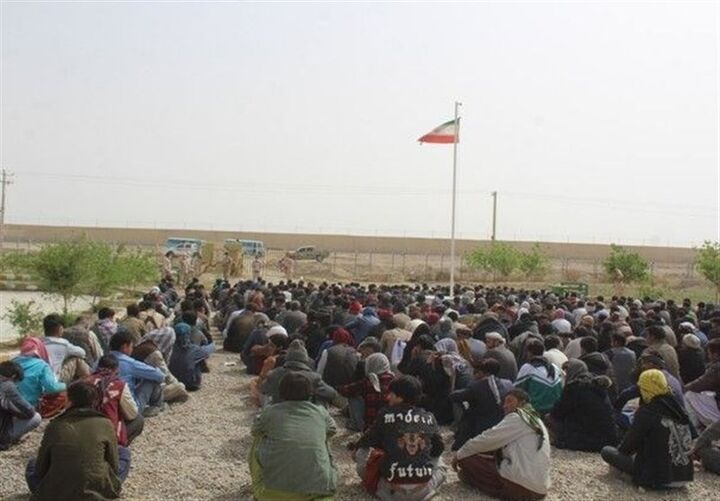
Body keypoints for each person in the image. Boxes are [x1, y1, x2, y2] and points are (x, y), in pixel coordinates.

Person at [25, 381, 131, 500]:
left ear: (69, 401)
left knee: (32, 464)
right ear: (94, 402)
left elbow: (40, 468)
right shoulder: (105, 423)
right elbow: (114, 464)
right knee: (124, 452)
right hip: (96, 493)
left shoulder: (55, 425)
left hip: (56, 493)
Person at [353, 375, 446, 500]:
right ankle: (428, 490)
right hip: (423, 491)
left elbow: (366, 441)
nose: (387, 397)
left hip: (390, 492)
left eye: (391, 394)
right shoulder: (430, 417)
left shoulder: (385, 415)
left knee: (361, 452)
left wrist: (356, 449)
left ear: (400, 397)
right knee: (440, 461)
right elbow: (438, 449)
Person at [250, 372, 337, 501]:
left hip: (271, 493)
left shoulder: (270, 412)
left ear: (281, 392)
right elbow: (332, 430)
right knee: (324, 438)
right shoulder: (320, 412)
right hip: (318, 491)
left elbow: (255, 430)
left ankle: (261, 488)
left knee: (259, 438)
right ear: (309, 392)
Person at [601, 369, 693, 489]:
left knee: (607, 451)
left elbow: (627, 446)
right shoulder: (677, 407)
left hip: (658, 478)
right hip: (683, 476)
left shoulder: (647, 411)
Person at [453, 388, 550, 501]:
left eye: (509, 401)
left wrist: (459, 454)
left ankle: (474, 480)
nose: (505, 405)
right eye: (504, 402)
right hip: (539, 489)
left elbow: (487, 439)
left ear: (521, 403)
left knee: (467, 459)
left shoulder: (518, 417)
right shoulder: (535, 419)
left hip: (523, 489)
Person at [548, 360, 618, 452]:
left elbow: (557, 412)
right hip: (607, 439)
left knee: (548, 417)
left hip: (585, 439)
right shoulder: (597, 383)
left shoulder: (574, 387)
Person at [450, 358, 513, 451]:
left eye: (477, 372)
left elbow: (454, 396)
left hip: (482, 427)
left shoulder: (477, 386)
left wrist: (452, 384)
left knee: (467, 412)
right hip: (503, 423)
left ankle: (460, 445)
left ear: (484, 373)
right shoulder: (508, 383)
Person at [86, 355, 144, 446]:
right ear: (116, 369)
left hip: (85, 430)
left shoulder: (85, 382)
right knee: (138, 420)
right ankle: (117, 449)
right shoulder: (119, 385)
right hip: (108, 433)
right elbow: (132, 414)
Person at [262, 340, 338, 406]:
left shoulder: (275, 373)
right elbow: (332, 394)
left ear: (287, 357)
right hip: (306, 414)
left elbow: (264, 389)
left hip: (279, 413)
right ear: (305, 359)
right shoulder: (314, 377)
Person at [109, 331, 166, 417]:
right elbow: (160, 376)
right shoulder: (129, 362)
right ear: (125, 347)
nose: (132, 349)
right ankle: (156, 406)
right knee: (150, 379)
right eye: (131, 346)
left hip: (107, 406)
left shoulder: (99, 361)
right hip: (128, 408)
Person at [338, 353, 395, 432]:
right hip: (390, 425)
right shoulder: (394, 380)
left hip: (370, 427)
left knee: (354, 396)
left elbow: (346, 391)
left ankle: (356, 425)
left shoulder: (369, 381)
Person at [13, 338, 67, 418]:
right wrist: (65, 385)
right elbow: (52, 388)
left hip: (10, 406)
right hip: (31, 407)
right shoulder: (41, 365)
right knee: (64, 394)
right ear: (40, 349)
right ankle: (42, 414)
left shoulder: (11, 363)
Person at [0, 361, 42, 451]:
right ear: (14, 376)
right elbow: (29, 411)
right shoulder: (8, 386)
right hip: (1, 436)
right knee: (36, 417)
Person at [514, 339, 563, 414]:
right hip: (555, 411)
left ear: (529, 353)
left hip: (536, 412)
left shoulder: (528, 368)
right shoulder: (554, 368)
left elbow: (517, 390)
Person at [41, 314, 90, 383]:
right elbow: (82, 352)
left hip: (40, 379)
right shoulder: (62, 343)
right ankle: (89, 384)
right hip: (55, 380)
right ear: (60, 328)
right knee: (77, 359)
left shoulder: (39, 343)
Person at [683, 338, 720, 429]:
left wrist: (684, 388)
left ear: (715, 355)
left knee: (689, 395)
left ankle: (694, 428)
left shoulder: (716, 368)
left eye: (709, 354)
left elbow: (700, 383)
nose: (708, 356)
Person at [168, 322, 215, 391]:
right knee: (198, 359)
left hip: (173, 382)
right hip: (191, 384)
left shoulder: (169, 347)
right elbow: (207, 352)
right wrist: (213, 344)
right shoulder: (193, 349)